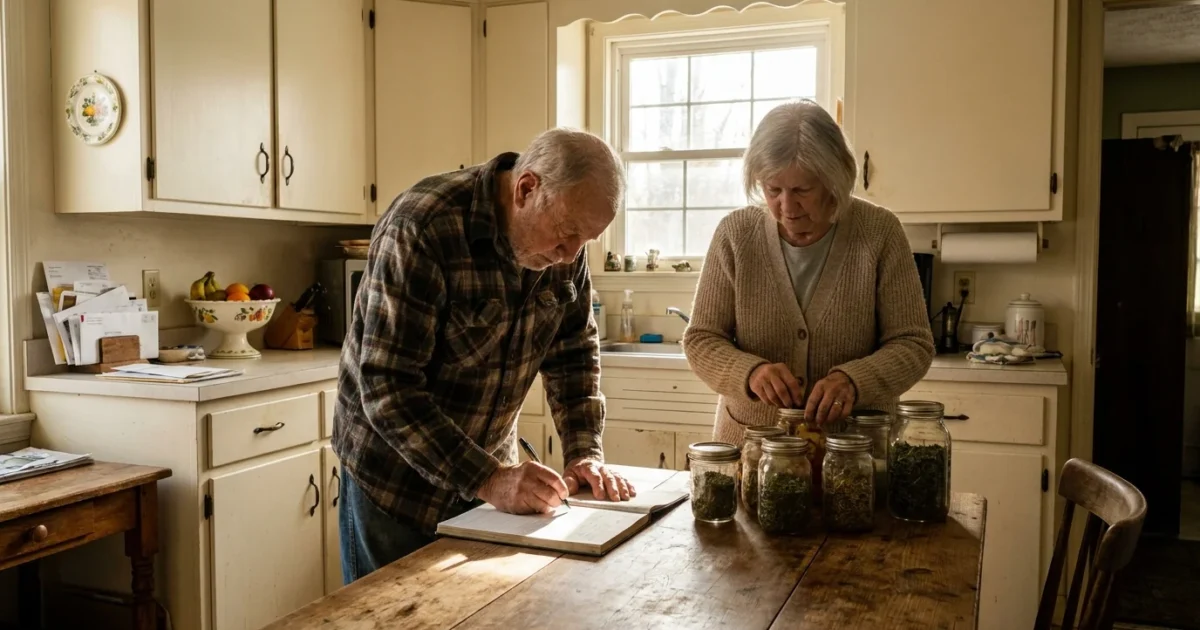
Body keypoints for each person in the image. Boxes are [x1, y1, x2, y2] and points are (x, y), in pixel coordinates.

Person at [333, 128, 636, 584]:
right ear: (526, 188)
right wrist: (492, 479)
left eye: (586, 241)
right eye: (568, 233)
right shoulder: (424, 225)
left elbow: (573, 354)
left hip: (486, 478)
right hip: (395, 485)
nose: (571, 254)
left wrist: (583, 453)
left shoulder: (562, 244)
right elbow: (387, 387)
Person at [681, 101, 935, 446]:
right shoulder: (735, 234)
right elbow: (701, 340)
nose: (786, 206)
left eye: (802, 190)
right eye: (773, 190)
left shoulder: (879, 232)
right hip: (752, 448)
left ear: (834, 181)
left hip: (856, 453)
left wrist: (855, 380)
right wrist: (751, 373)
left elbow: (913, 344)